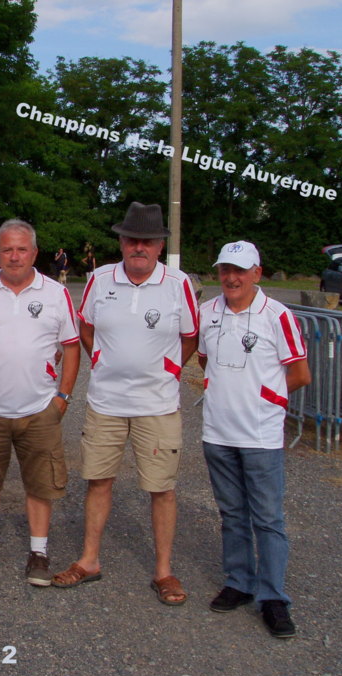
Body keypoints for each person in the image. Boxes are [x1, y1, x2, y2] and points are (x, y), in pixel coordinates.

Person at [54, 201, 198, 605]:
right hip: (107, 400)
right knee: (98, 481)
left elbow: (190, 334)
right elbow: (85, 324)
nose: (139, 247)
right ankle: (89, 560)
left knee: (161, 487)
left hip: (159, 402)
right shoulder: (100, 279)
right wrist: (99, 356)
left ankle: (164, 571)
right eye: (132, 239)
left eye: (148, 241)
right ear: (121, 241)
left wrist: (170, 369)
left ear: (159, 245)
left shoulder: (178, 283)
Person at [0, 219, 80, 586]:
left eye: (21, 249)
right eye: (7, 249)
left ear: (34, 253)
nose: (14, 256)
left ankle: (38, 553)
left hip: (40, 408)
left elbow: (71, 348)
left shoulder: (55, 293)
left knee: (41, 485)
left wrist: (62, 398)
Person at [198, 240, 310, 638]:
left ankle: (273, 597)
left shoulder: (276, 315)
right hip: (218, 432)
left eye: (240, 271)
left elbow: (299, 373)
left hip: (260, 436)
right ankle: (239, 582)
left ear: (256, 274)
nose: (231, 278)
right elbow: (204, 358)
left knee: (268, 519)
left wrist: (267, 401)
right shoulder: (208, 311)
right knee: (231, 514)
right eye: (225, 270)